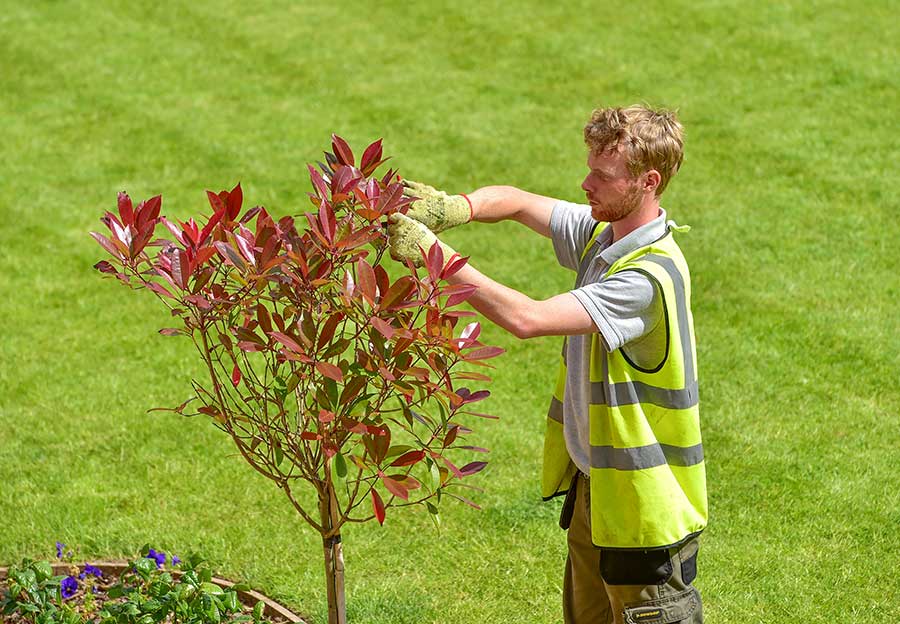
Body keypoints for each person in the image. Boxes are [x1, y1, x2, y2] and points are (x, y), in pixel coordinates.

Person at [387, 105, 707, 624]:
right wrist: (454, 208)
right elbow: (514, 202)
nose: (585, 184)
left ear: (648, 182)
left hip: (645, 509)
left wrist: (433, 256)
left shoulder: (646, 278)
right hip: (596, 489)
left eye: (602, 176)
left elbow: (526, 318)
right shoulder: (605, 235)